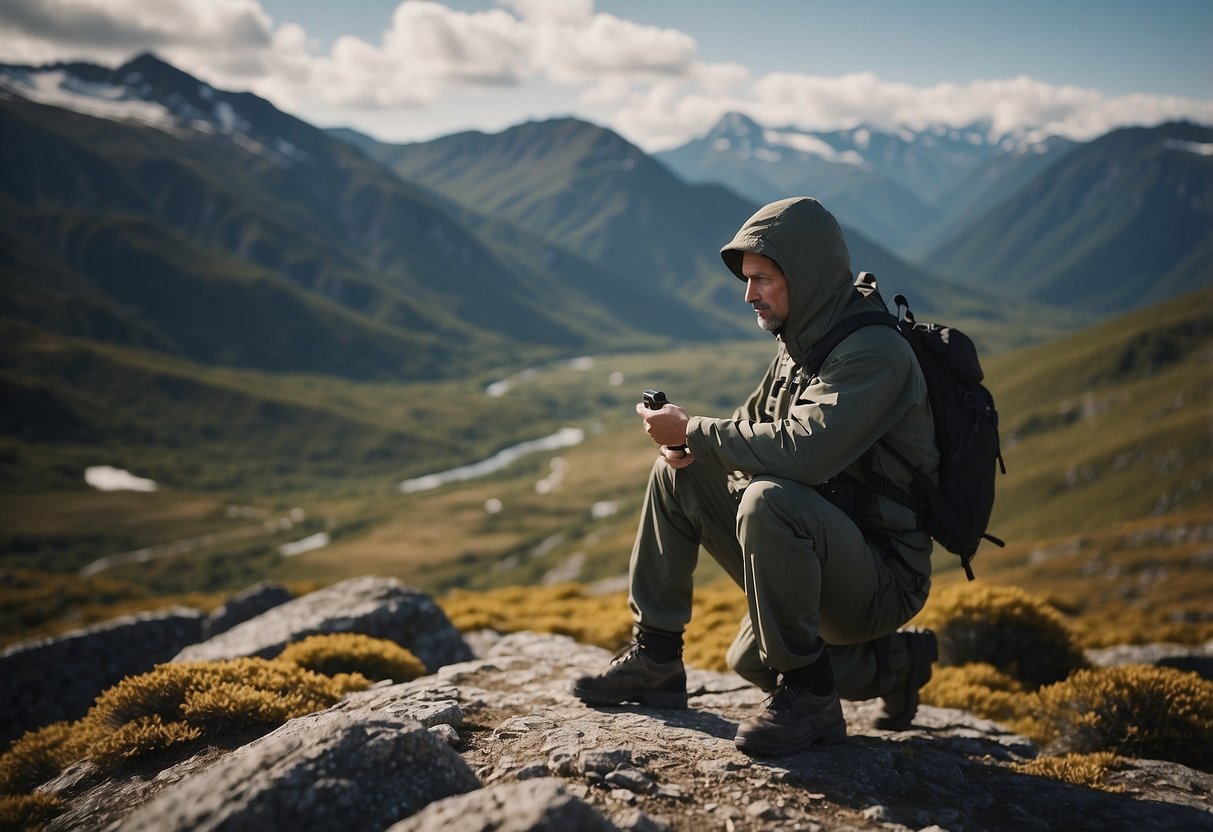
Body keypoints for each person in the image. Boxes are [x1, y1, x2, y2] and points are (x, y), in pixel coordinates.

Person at [572, 196, 941, 756]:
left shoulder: (873, 354)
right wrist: (686, 443)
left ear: (806, 275)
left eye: (763, 279)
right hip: (822, 551)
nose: (749, 295)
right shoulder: (800, 343)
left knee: (769, 500)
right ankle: (657, 658)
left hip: (882, 575)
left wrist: (693, 428)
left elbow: (805, 453)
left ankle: (810, 696)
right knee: (682, 476)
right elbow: (749, 429)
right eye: (747, 280)